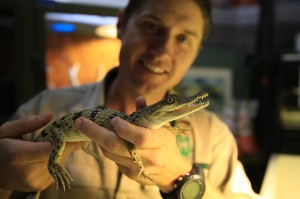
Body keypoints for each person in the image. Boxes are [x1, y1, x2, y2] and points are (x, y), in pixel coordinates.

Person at [0, 0, 262, 198]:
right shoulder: (41, 107)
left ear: (197, 50)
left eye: (183, 38)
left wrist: (182, 179)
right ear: (121, 24)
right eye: (150, 26)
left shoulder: (214, 136)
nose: (161, 51)